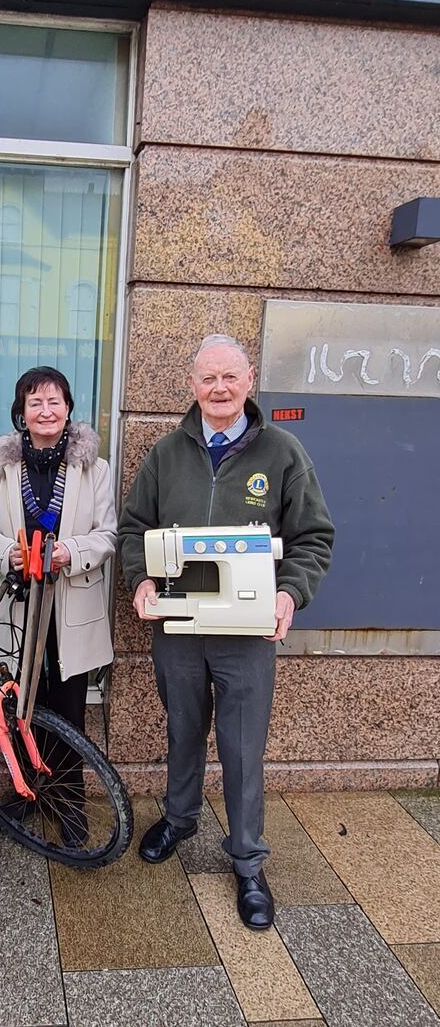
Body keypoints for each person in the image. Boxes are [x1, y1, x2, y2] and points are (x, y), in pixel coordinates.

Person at [118, 334, 333, 930]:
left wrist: (290, 595)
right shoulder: (167, 453)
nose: (218, 388)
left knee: (242, 748)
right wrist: (139, 581)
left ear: (249, 380)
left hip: (247, 634)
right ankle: (180, 818)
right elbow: (134, 528)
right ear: (192, 386)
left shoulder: (283, 452)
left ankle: (246, 860)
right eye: (208, 378)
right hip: (180, 626)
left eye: (229, 377)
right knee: (183, 729)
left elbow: (314, 537)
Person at [0, 366, 117, 846]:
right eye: (35, 403)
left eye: (54, 402)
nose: (46, 411)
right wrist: (3, 552)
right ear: (22, 413)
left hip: (71, 602)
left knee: (69, 707)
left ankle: (68, 800)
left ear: (69, 408)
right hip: (18, 603)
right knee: (19, 703)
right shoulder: (1, 467)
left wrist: (70, 551)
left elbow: (109, 534)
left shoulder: (94, 467)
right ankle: (28, 790)